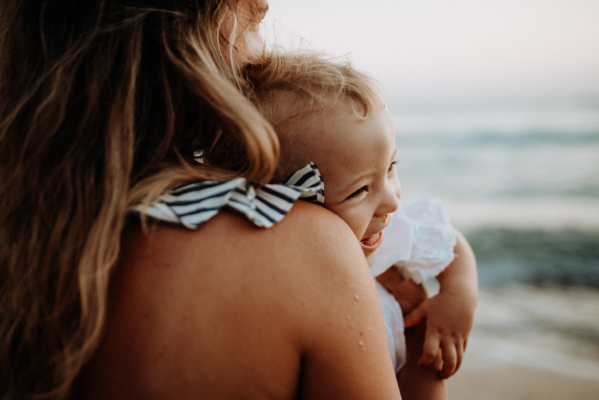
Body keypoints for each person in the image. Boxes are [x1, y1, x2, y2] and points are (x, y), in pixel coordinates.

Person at [0, 1, 403, 399]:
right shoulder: (305, 244)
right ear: (183, 39)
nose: (265, 55)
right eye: (252, 24)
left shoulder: (27, 237)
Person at [243, 51, 478, 399]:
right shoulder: (275, 270)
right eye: (359, 190)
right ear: (288, 200)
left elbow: (450, 242)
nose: (393, 201)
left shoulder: (390, 233)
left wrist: (458, 297)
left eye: (391, 168)